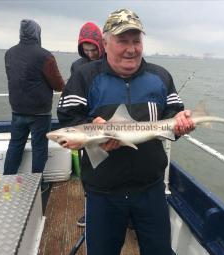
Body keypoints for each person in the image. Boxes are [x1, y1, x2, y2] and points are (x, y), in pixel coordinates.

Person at [57, 9, 194, 255]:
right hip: (103, 192)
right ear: (105, 43)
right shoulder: (84, 77)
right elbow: (68, 118)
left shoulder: (160, 77)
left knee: (160, 251)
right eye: (122, 41)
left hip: (150, 188)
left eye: (136, 41)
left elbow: (173, 116)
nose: (131, 49)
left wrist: (181, 123)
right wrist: (93, 128)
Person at [4, 19, 64, 176]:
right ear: (37, 33)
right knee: (39, 148)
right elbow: (58, 85)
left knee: (15, 145)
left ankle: (7, 180)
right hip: (39, 113)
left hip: (17, 110)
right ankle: (37, 183)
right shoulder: (45, 56)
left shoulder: (9, 53)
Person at [71, 21, 105, 228]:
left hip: (111, 127)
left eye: (94, 49)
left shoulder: (111, 63)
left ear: (102, 45)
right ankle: (90, 210)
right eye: (87, 50)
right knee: (90, 173)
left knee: (116, 170)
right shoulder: (77, 67)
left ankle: (128, 216)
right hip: (88, 127)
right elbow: (74, 98)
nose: (91, 54)